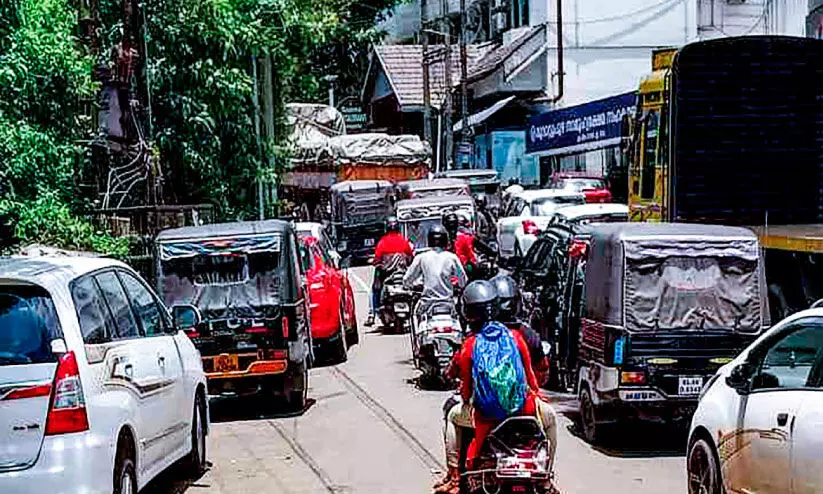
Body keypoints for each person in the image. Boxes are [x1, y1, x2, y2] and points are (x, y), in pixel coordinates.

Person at [434, 279, 556, 494]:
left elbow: (466, 390)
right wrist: (535, 396)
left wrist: (468, 399)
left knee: (453, 416)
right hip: (523, 409)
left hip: (486, 418)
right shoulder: (517, 337)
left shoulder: (471, 344)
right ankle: (546, 476)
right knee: (551, 419)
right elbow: (530, 377)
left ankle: (453, 477)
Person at [402, 225, 467, 322]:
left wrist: (411, 286)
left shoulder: (421, 257)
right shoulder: (452, 257)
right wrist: (458, 285)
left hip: (427, 303)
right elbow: (463, 280)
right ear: (445, 240)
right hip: (448, 303)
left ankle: (417, 336)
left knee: (414, 315)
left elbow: (407, 280)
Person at [367, 216, 413, 326]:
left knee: (374, 290)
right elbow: (410, 258)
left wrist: (376, 262)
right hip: (402, 275)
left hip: (387, 275)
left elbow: (377, 260)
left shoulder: (383, 242)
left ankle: (371, 314)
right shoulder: (404, 241)